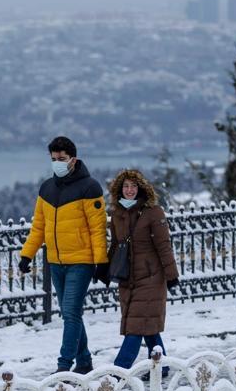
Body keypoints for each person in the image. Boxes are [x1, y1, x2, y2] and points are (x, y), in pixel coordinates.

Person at [19, 136, 109, 374]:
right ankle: (85, 362)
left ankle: (63, 366)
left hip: (81, 261)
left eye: (62, 159)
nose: (57, 163)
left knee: (70, 313)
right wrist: (26, 255)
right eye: (54, 159)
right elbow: (39, 226)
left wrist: (101, 262)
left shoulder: (90, 187)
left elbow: (97, 229)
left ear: (73, 159)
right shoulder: (47, 188)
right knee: (72, 314)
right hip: (55, 262)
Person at [107, 169, 178, 374]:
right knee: (148, 327)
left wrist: (171, 275)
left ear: (141, 189)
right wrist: (104, 270)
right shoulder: (117, 214)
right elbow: (115, 245)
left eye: (133, 186)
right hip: (128, 278)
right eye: (126, 186)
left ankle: (116, 375)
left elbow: (164, 245)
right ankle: (161, 367)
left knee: (135, 329)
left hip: (151, 277)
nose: (130, 190)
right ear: (120, 190)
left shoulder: (154, 213)